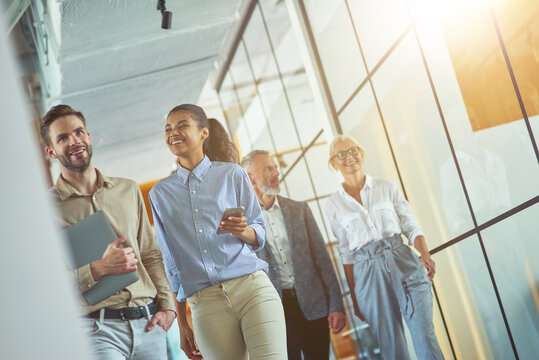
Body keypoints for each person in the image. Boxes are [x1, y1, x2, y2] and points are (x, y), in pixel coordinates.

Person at [149, 104, 287, 360]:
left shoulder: (232, 175)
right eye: (168, 129)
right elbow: (171, 263)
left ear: (203, 133)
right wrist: (182, 323)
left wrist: (244, 231)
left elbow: (259, 233)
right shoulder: (160, 194)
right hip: (205, 304)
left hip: (252, 288)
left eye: (182, 126)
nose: (172, 133)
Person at [40, 105, 176, 359]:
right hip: (97, 330)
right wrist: (98, 269)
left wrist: (168, 307)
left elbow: (151, 255)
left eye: (79, 133)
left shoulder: (128, 189)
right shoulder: (45, 211)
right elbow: (48, 283)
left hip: (148, 323)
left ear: (89, 136)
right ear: (51, 151)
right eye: (63, 138)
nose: (75, 141)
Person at [324, 135, 444, 360]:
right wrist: (355, 297)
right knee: (392, 347)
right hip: (367, 272)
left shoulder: (386, 186)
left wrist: (425, 253)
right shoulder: (333, 204)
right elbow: (346, 253)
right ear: (333, 163)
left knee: (425, 337)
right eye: (341, 154)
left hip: (403, 261)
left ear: (362, 153)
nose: (349, 157)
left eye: (353, 150)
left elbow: (410, 224)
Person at [242, 150, 346, 360]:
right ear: (250, 177)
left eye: (275, 167)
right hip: (275, 312)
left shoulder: (300, 210)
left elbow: (323, 260)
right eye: (268, 168)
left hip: (313, 305)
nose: (276, 172)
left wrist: (336, 305)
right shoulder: (243, 224)